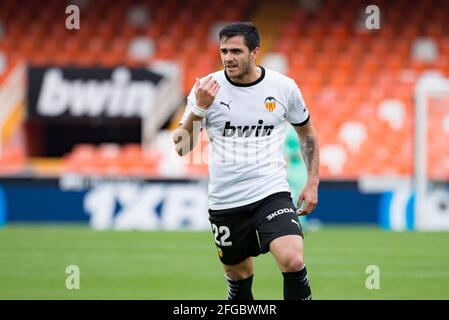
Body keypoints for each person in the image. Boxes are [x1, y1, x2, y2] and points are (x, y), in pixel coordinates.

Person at [172, 22, 319, 300]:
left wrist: (312, 181)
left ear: (255, 52)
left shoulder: (283, 87)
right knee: (240, 278)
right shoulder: (206, 89)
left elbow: (307, 133)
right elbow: (181, 147)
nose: (228, 57)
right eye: (224, 51)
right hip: (226, 200)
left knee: (293, 259)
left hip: (271, 192)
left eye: (236, 51)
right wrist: (199, 108)